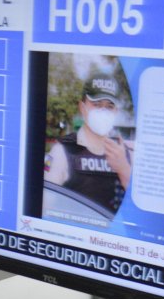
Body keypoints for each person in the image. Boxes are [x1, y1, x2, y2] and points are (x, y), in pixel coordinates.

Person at [43, 74, 134, 217]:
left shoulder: (126, 153)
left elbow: (141, 210)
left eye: (109, 106)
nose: (103, 112)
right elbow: (44, 206)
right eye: (96, 105)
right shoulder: (62, 151)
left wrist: (124, 169)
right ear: (82, 107)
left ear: (116, 111)